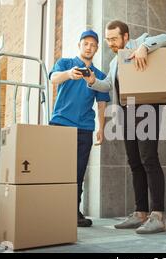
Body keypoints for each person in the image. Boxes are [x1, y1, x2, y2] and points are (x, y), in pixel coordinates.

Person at [83, 20, 166, 234]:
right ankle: (140, 213)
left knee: (149, 158)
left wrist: (144, 48)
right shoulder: (113, 63)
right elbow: (108, 86)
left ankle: (157, 215)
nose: (109, 43)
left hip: (147, 107)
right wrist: (92, 81)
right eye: (108, 39)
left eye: (113, 38)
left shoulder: (141, 41)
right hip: (127, 111)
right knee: (135, 162)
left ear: (126, 37)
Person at [48, 30, 110, 228]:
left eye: (93, 44)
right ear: (79, 45)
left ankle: (73, 212)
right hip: (60, 124)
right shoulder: (66, 63)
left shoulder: (98, 75)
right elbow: (53, 78)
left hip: (84, 129)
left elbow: (101, 104)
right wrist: (69, 74)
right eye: (86, 43)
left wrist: (101, 128)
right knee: (56, 169)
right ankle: (52, 209)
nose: (89, 47)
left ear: (97, 48)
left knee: (78, 173)